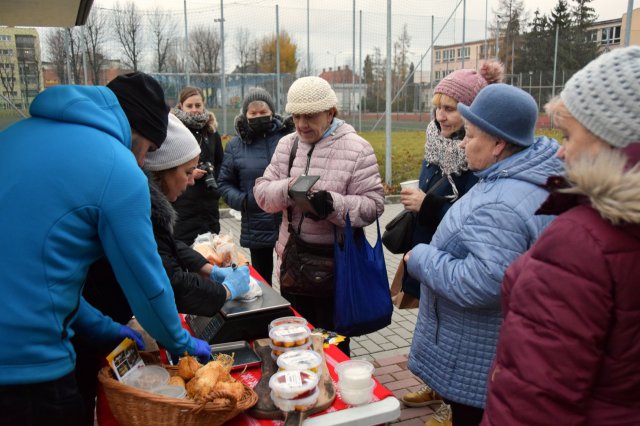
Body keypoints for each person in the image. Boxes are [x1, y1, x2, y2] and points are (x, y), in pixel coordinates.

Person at [0, 72, 211, 426]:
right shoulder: (117, 165)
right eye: (147, 150)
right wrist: (180, 342)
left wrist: (102, 328)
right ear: (138, 131)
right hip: (30, 374)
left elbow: (37, 281)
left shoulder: (15, 136)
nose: (143, 162)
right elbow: (147, 280)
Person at [481, 46, 640, 426]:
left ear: (611, 140)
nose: (562, 153)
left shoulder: (582, 242)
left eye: (569, 135)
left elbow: (534, 402)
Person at [404, 83, 564, 426]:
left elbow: (482, 283)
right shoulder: (523, 177)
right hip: (498, 351)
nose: (463, 142)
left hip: (478, 357)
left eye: (471, 135)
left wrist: (420, 258)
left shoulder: (502, 202)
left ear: (498, 143)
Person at [75, 114, 249, 425]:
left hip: (93, 319)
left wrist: (208, 269)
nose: (192, 178)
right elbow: (164, 277)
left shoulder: (149, 201)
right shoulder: (131, 202)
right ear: (159, 172)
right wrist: (224, 292)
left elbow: (169, 245)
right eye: (186, 171)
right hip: (85, 328)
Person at [254, 76, 385, 356]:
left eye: (310, 116)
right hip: (293, 265)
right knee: (296, 343)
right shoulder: (287, 145)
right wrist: (289, 188)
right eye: (296, 116)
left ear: (331, 113)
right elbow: (262, 194)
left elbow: (374, 205)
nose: (301, 124)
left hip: (336, 270)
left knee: (333, 348)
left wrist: (333, 205)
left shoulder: (358, 149)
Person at [400, 61, 503, 414]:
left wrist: (427, 205)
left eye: (450, 109)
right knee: (431, 321)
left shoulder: (479, 152)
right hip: (429, 246)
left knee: (453, 329)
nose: (441, 116)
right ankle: (434, 385)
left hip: (457, 256)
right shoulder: (436, 141)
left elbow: (471, 217)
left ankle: (450, 402)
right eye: (437, 107)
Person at [218, 88, 294, 283]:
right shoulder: (235, 146)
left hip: (289, 221)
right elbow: (224, 183)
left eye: (263, 112)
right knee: (263, 281)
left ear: (272, 112)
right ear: (245, 115)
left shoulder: (288, 139)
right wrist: (244, 201)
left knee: (292, 277)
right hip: (256, 224)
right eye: (253, 113)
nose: (258, 116)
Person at [171, 86, 224, 244]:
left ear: (203, 105)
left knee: (210, 255)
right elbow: (167, 167)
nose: (194, 110)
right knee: (184, 255)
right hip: (182, 205)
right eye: (189, 106)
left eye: (198, 105)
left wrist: (216, 186)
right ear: (181, 106)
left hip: (209, 207)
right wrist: (188, 174)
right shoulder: (174, 131)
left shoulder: (211, 132)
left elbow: (220, 163)